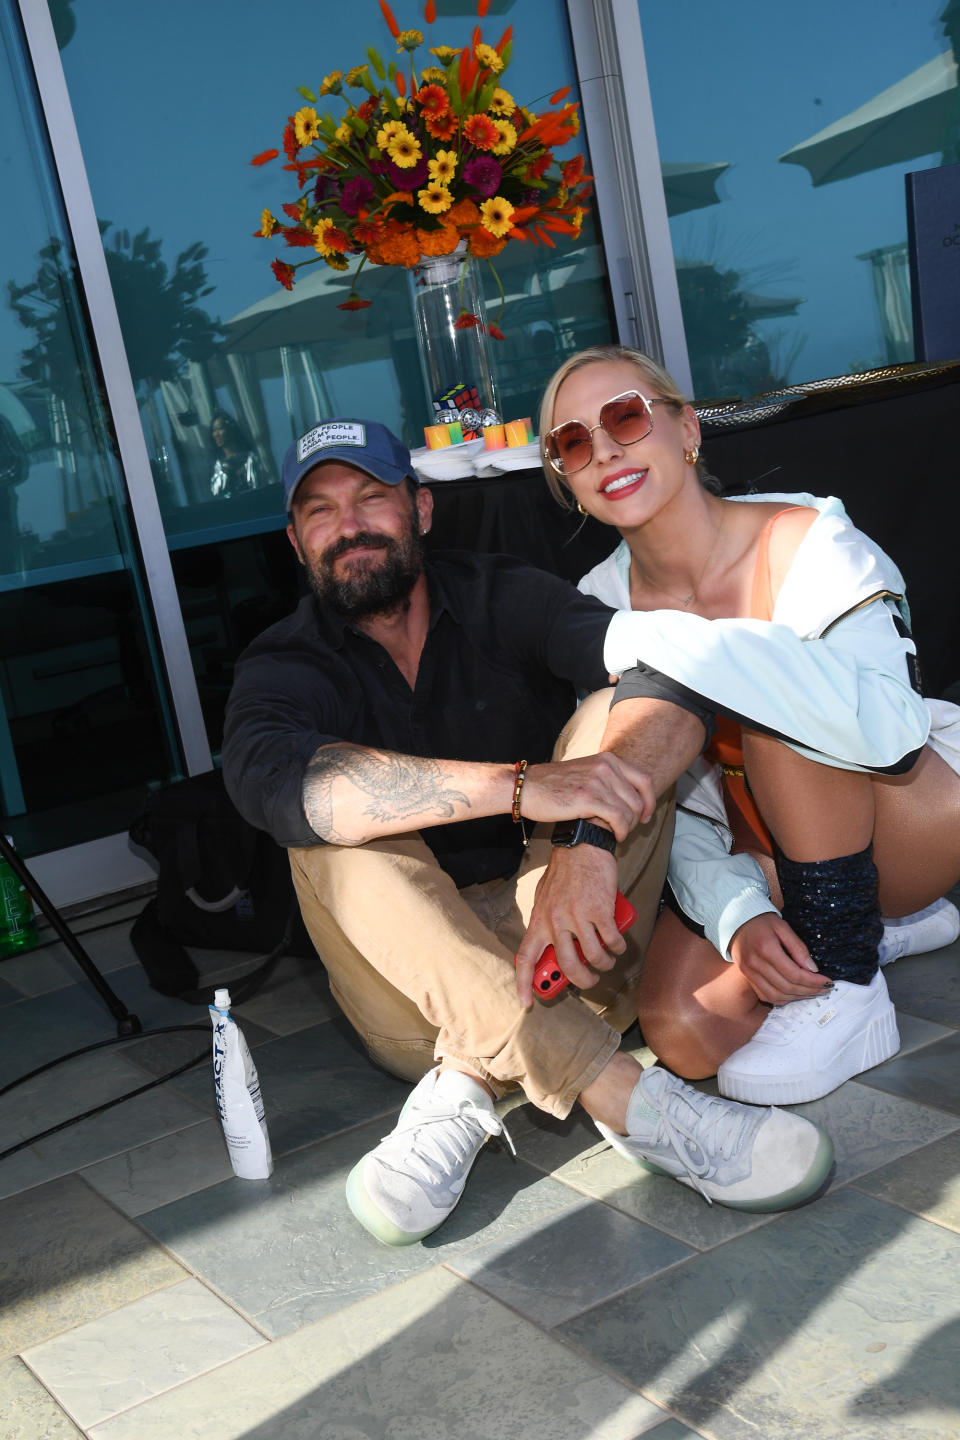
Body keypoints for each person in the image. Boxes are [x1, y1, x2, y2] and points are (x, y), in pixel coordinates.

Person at [221, 416, 834, 1246]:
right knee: (327, 826)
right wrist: (519, 788)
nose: (349, 525)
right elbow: (282, 785)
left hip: (570, 949)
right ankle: (627, 1099)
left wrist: (584, 845)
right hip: (414, 993)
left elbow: (670, 683)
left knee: (612, 713)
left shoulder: (500, 592)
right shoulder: (279, 664)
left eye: (371, 496)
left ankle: (466, 1084)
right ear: (296, 542)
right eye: (320, 511)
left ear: (421, 511)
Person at [539, 344, 960, 1108]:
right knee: (683, 1031)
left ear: (688, 429)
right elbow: (650, 796)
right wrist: (742, 917)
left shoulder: (808, 539)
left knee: (776, 697)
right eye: (573, 441)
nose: (604, 450)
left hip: (915, 809)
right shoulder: (597, 605)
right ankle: (871, 928)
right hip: (761, 844)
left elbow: (891, 729)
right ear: (566, 480)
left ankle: (853, 978)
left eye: (625, 417)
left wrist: (670, 642)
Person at [210, 412, 259, 498]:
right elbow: (216, 492)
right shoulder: (218, 465)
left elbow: (257, 488)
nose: (215, 434)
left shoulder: (250, 458)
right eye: (214, 430)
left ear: (231, 429)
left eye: (219, 429)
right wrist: (225, 470)